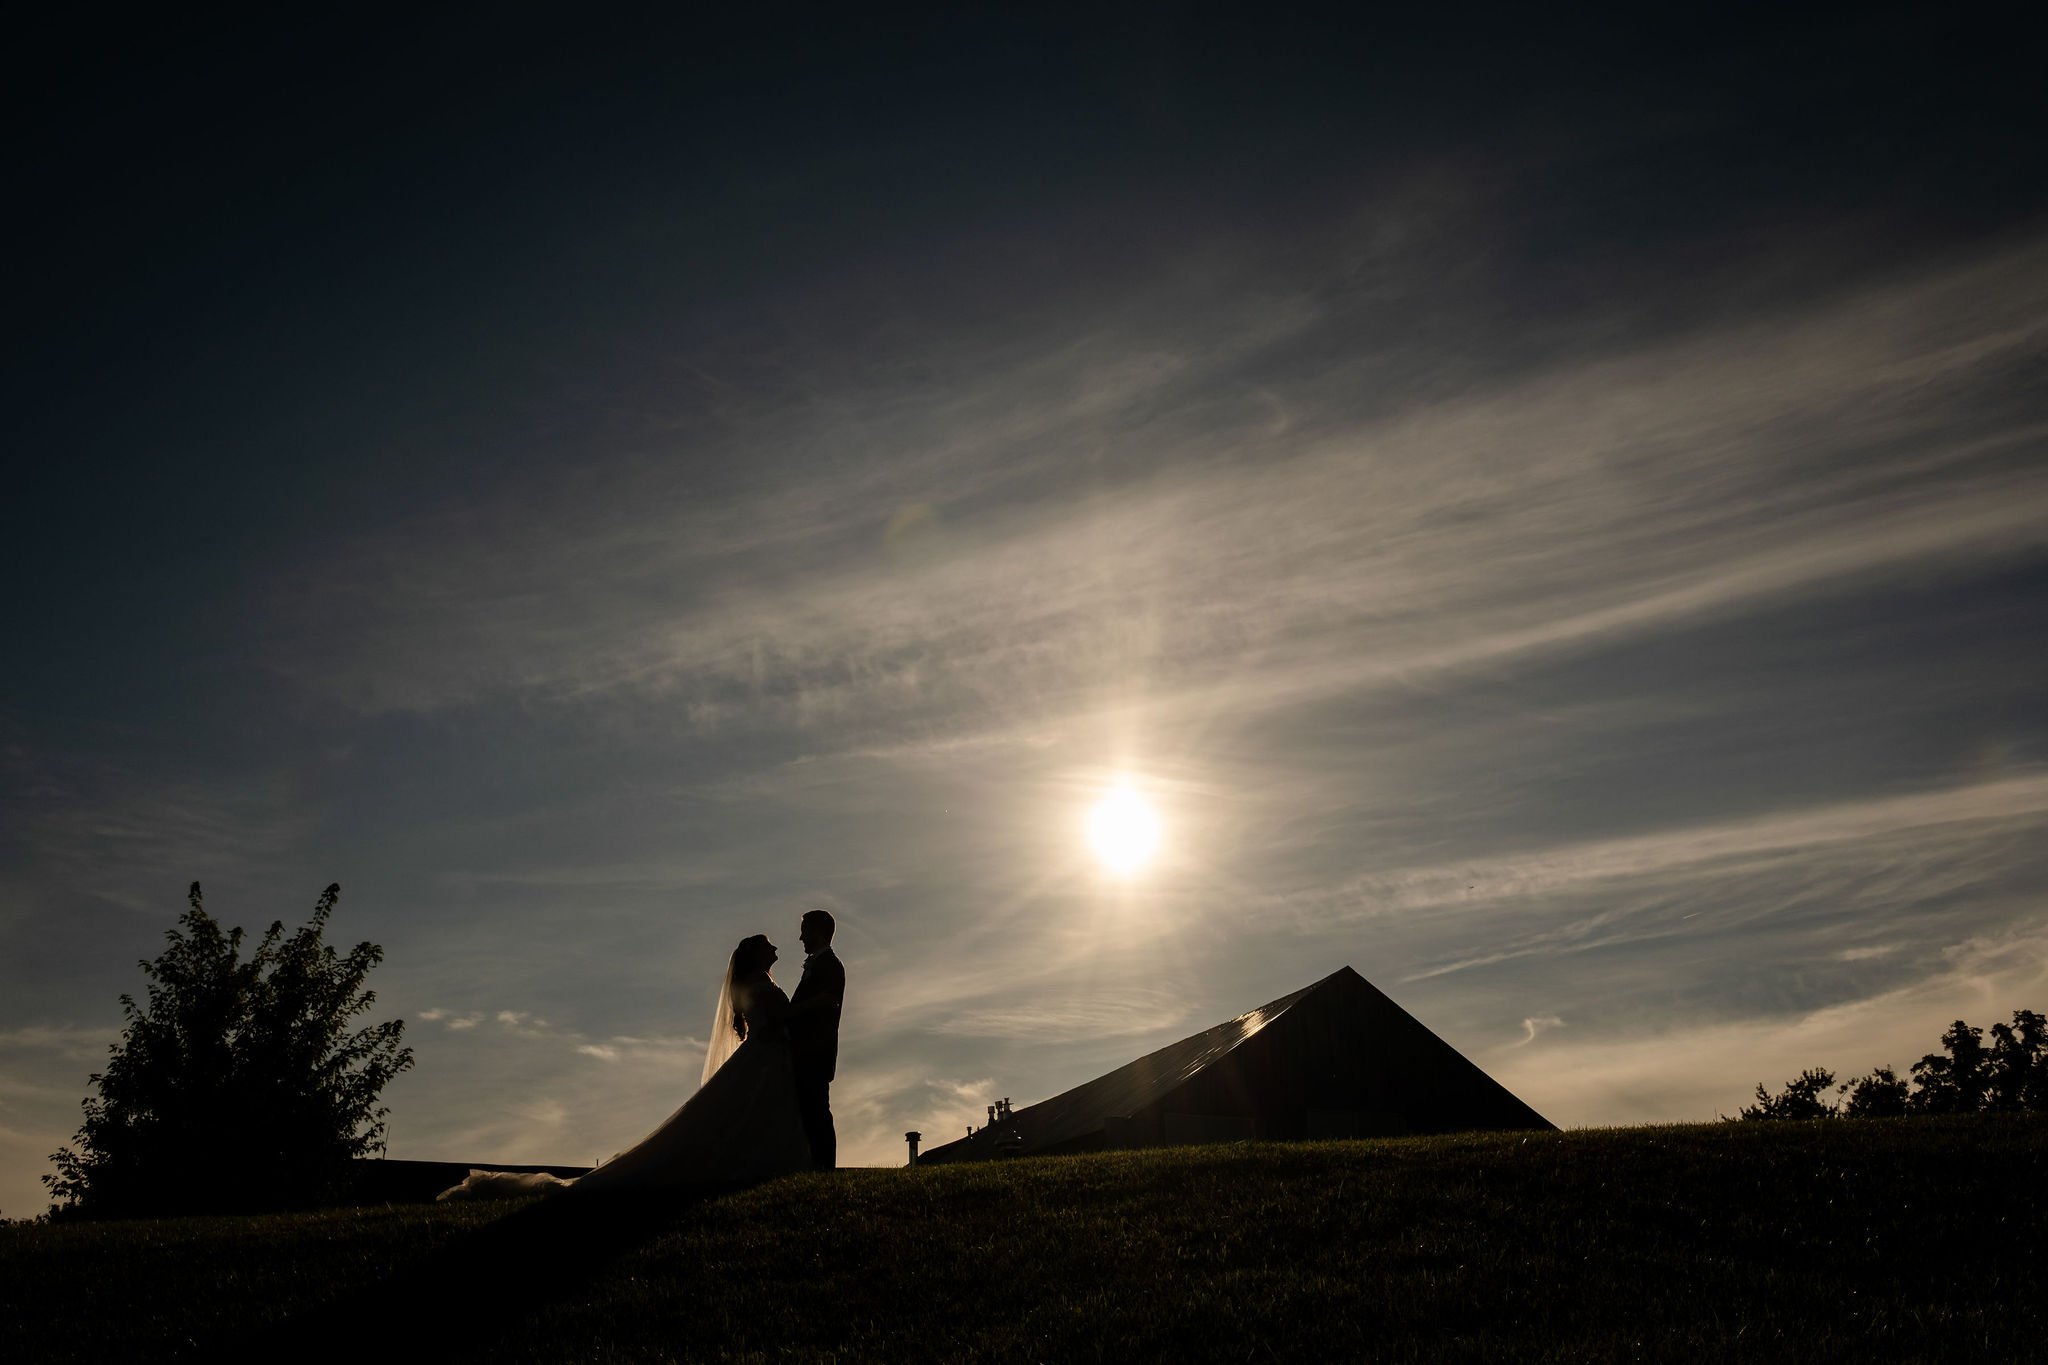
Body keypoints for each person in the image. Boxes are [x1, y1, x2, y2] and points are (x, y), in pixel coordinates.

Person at [436, 934, 810, 1200]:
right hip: (763, 1056)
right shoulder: (760, 982)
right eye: (768, 945)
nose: (776, 947)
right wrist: (819, 1005)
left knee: (741, 1117)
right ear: (757, 954)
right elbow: (782, 1015)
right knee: (743, 1117)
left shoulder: (756, 981)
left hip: (765, 1056)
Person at [788, 910, 845, 1170]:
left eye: (804, 931)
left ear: (818, 932)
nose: (801, 938)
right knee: (810, 1113)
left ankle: (824, 1169)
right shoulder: (817, 964)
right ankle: (815, 1166)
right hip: (805, 1051)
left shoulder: (830, 966)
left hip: (816, 1051)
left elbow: (828, 1002)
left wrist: (789, 1013)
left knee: (818, 1113)